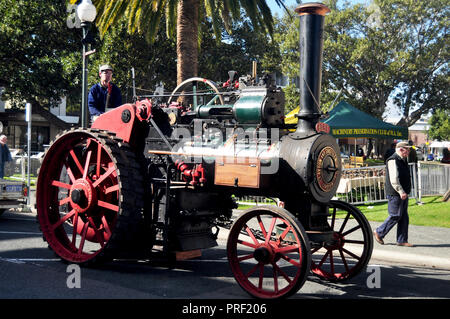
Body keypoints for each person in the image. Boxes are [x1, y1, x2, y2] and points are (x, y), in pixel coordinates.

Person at [374, 141, 414, 247]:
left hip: (402, 192)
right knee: (395, 215)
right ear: (401, 149)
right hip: (396, 193)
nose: (409, 152)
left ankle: (402, 240)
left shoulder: (401, 159)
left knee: (404, 216)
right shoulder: (393, 160)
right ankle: (379, 232)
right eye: (408, 149)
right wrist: (401, 191)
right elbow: (394, 179)